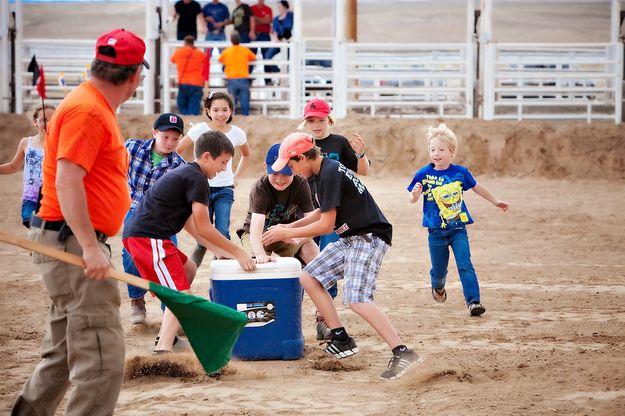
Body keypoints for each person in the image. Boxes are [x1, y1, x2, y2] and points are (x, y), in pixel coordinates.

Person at [11, 28, 148, 415]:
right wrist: (90, 245)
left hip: (68, 239)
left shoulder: (90, 104)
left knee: (64, 351)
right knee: (102, 358)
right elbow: (67, 176)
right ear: (135, 75)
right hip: (73, 242)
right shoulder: (87, 109)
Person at [262, 132, 420, 380]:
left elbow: (326, 225)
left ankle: (402, 351)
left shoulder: (329, 173)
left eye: (292, 165)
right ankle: (341, 338)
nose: (292, 172)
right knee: (309, 277)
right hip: (350, 238)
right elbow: (320, 212)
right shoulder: (322, 171)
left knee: (356, 299)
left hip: (368, 237)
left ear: (302, 157)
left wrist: (287, 230)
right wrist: (289, 230)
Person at [123, 131, 256, 354]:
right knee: (181, 294)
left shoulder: (188, 173)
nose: (224, 169)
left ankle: (168, 337)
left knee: (189, 269)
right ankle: (164, 350)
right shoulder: (197, 178)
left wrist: (217, 249)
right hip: (148, 238)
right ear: (206, 156)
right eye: (223, 162)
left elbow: (187, 222)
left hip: (151, 236)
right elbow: (205, 226)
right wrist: (239, 253)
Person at [407, 123, 509, 316]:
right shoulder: (424, 174)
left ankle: (473, 301)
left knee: (465, 264)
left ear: (452, 152)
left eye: (441, 149)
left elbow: (477, 187)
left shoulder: (460, 172)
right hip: (435, 233)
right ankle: (438, 286)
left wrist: (495, 201)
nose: (436, 153)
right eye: (432, 149)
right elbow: (412, 199)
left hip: (458, 230)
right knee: (439, 272)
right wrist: (415, 195)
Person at [299, 97, 370, 340]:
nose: (316, 125)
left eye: (320, 120)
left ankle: (323, 320)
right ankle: (296, 315)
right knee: (303, 264)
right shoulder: (302, 143)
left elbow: (363, 171)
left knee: (325, 262)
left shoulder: (339, 142)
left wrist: (360, 154)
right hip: (306, 210)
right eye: (311, 120)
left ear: (329, 119)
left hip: (332, 211)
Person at [123, 113, 187, 325]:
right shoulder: (132, 148)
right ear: (154, 133)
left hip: (162, 218)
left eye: (175, 139)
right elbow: (113, 167)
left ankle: (168, 310)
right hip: (134, 209)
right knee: (131, 254)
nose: (170, 143)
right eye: (165, 137)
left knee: (170, 258)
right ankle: (137, 300)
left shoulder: (179, 165)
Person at [177, 91, 251, 266]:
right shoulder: (200, 129)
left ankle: (222, 269)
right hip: (200, 188)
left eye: (225, 109)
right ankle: (194, 270)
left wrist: (236, 176)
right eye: (216, 109)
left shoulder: (237, 133)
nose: (220, 114)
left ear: (231, 111)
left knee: (222, 230)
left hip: (225, 188)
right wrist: (187, 175)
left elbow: (246, 155)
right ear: (208, 111)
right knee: (203, 233)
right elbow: (177, 151)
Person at [236, 143, 319, 264]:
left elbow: (312, 220)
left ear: (294, 168)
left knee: (313, 252)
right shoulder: (260, 188)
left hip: (286, 233)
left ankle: (304, 280)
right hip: (258, 234)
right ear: (265, 167)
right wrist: (260, 254)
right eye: (275, 173)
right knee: (254, 260)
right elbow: (256, 226)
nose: (280, 179)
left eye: (285, 174)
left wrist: (296, 236)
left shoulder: (301, 183)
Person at [0, 104, 55, 228]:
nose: (48, 123)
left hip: (51, 199)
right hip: (30, 198)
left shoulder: (60, 144)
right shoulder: (26, 142)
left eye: (53, 119)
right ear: (35, 122)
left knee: (46, 231)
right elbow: (13, 166)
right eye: (44, 119)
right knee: (32, 224)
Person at [219, 31, 256, 116]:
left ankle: (232, 116)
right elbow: (253, 58)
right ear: (239, 39)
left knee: (231, 101)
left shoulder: (227, 51)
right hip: (243, 78)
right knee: (245, 99)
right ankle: (245, 116)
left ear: (231, 40)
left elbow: (220, 59)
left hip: (232, 79)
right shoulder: (244, 50)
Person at [171, 35, 206, 115]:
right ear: (193, 43)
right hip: (196, 82)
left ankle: (186, 116)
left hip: (183, 82)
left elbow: (172, 60)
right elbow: (205, 61)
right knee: (194, 104)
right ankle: (192, 119)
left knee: (181, 104)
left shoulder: (179, 52)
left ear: (185, 43)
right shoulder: (199, 53)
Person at [251, 0, 279, 84]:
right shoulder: (252, 8)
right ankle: (250, 78)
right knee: (251, 56)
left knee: (266, 57)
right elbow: (251, 20)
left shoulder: (268, 9)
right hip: (255, 35)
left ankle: (267, 80)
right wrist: (261, 20)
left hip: (265, 35)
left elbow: (268, 21)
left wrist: (255, 19)